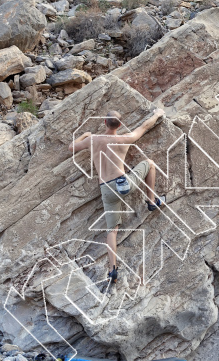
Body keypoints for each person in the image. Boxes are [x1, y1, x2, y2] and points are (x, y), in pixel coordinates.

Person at [69, 109, 166, 278]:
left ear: (104, 123)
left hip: (107, 190)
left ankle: (112, 270)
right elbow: (144, 126)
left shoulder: (93, 140)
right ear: (120, 125)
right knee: (149, 164)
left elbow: (71, 147)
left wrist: (84, 134)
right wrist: (157, 114)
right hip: (124, 184)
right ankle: (151, 201)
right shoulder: (124, 138)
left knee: (111, 231)